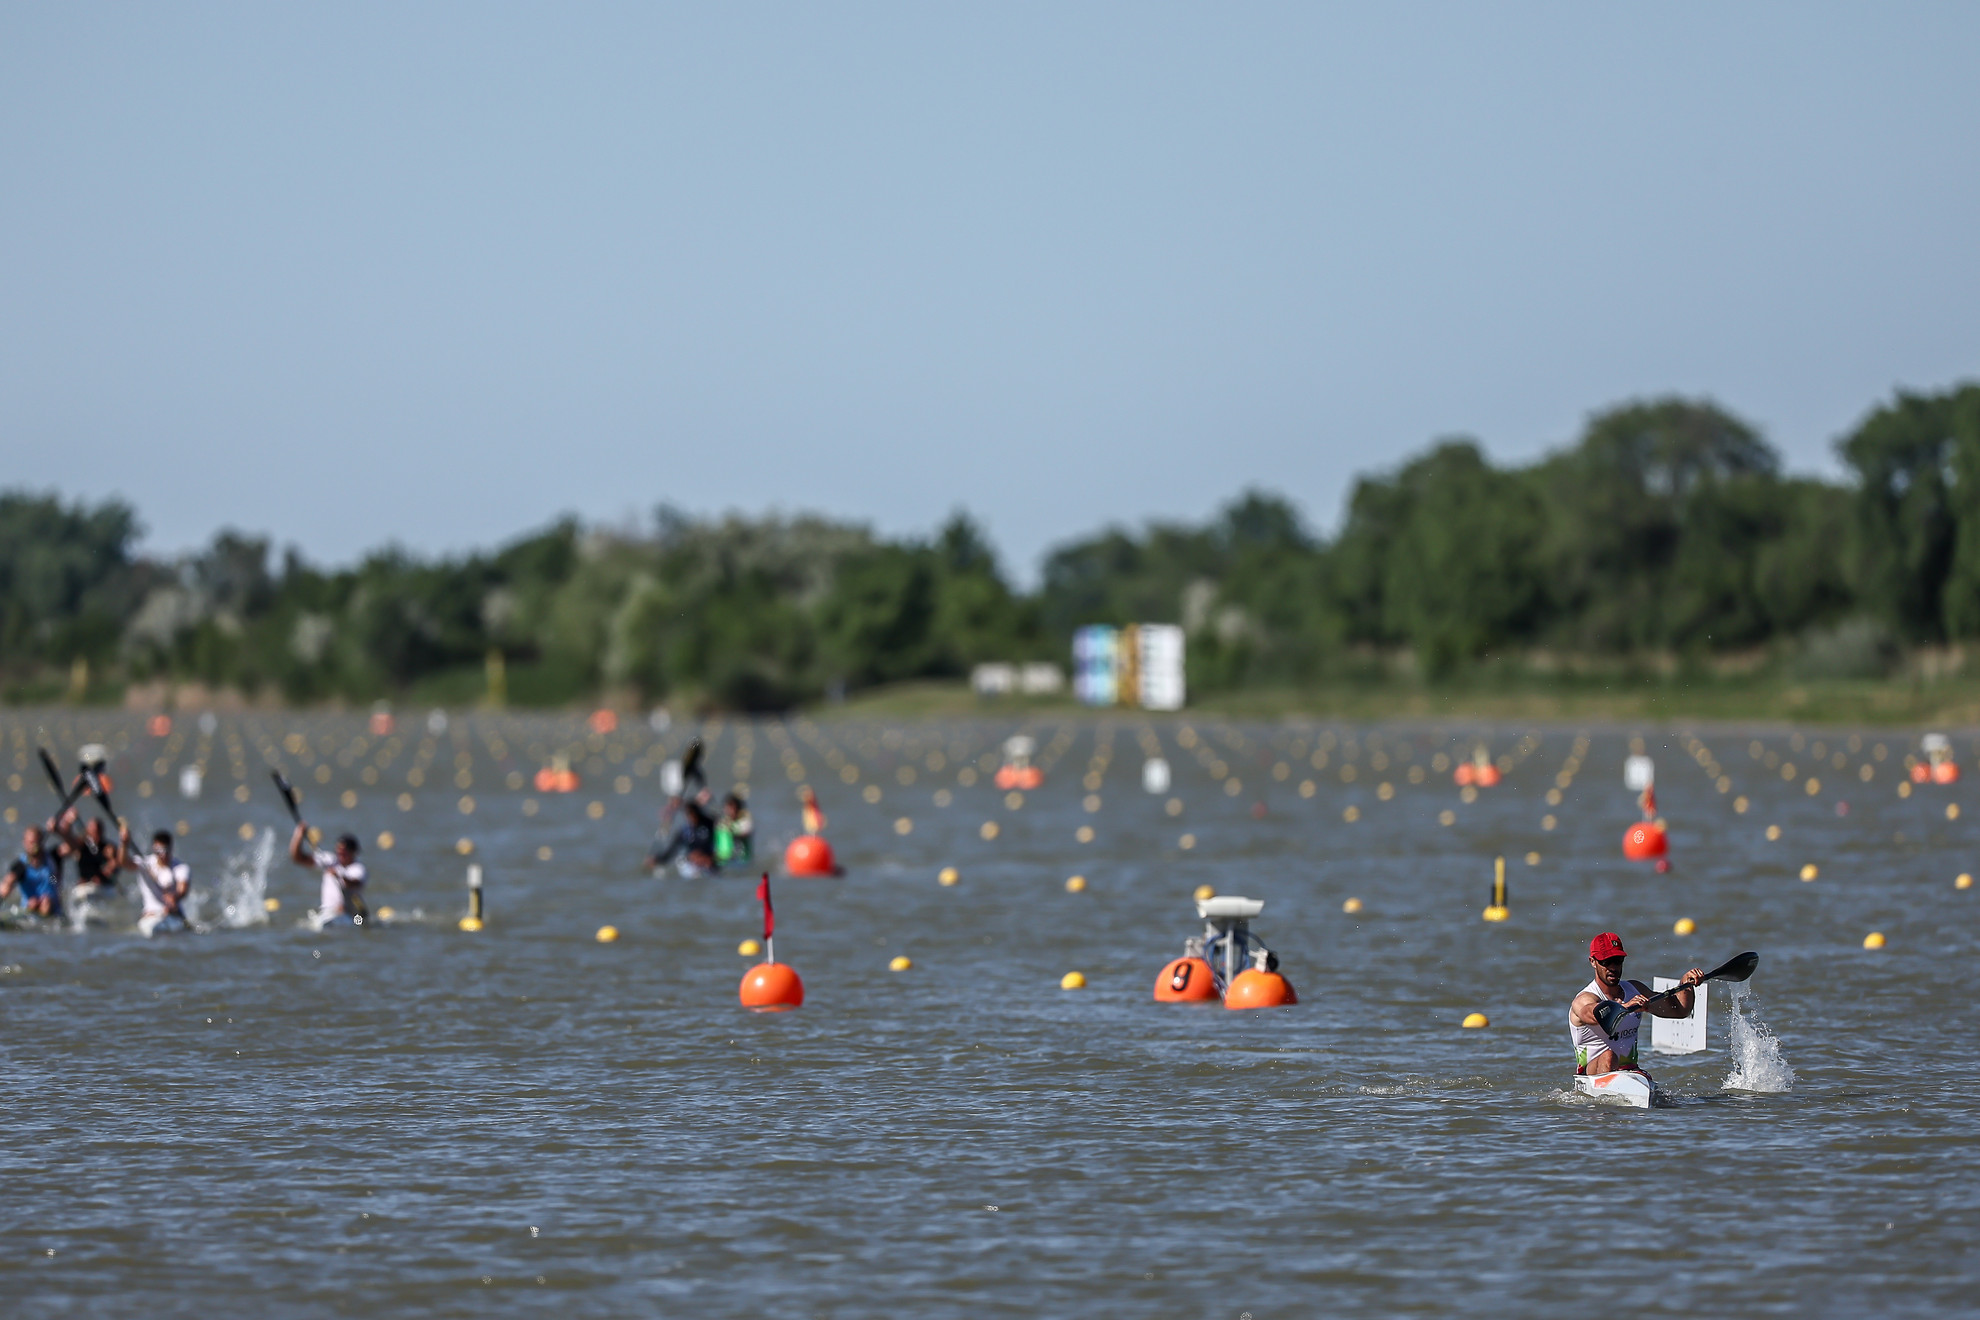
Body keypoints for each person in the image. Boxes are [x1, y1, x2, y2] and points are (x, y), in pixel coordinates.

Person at [1569, 932, 1703, 1076]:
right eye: (1606, 961)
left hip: (1630, 1072)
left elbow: (1680, 1011)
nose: (1613, 967)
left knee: (1647, 1080)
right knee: (1609, 1056)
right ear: (1593, 962)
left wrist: (1685, 985)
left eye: (1618, 960)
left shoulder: (1635, 990)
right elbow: (1593, 1014)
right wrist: (1625, 1008)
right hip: (1592, 1075)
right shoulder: (1584, 999)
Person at [119, 825, 190, 936]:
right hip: (150, 917)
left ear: (171, 848)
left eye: (165, 850)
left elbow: (183, 889)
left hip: (171, 916)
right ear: (153, 848)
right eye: (159, 851)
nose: (162, 854)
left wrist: (175, 896)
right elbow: (124, 863)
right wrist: (124, 844)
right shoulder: (145, 863)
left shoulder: (180, 868)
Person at [290, 824, 366, 928]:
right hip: (328, 914)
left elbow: (354, 884)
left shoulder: (358, 868)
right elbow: (298, 858)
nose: (340, 856)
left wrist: (338, 875)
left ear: (353, 852)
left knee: (356, 923)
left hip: (351, 916)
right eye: (339, 852)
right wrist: (298, 835)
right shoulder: (329, 859)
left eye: (344, 853)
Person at [3, 823, 69, 920]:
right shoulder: (21, 866)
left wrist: (59, 831)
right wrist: (7, 887)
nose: (33, 845)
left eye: (36, 842)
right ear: (24, 843)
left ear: (41, 842)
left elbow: (73, 846)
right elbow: (6, 883)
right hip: (30, 908)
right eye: (30, 842)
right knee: (33, 902)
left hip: (52, 907)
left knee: (46, 901)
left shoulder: (53, 858)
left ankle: (47, 921)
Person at [61, 811, 122, 899]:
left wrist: (105, 873)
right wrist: (69, 821)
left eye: (97, 831)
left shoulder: (108, 848)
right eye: (92, 831)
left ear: (101, 832)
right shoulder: (80, 845)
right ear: (87, 831)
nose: (94, 835)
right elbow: (67, 839)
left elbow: (116, 863)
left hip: (103, 886)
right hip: (85, 885)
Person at [651, 799, 717, 876]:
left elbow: (720, 845)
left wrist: (709, 857)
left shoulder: (710, 825)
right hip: (693, 863)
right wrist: (658, 860)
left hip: (709, 861)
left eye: (693, 813)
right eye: (689, 814)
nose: (691, 817)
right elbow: (672, 849)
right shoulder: (685, 832)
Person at [714, 791, 753, 865]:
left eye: (733, 807)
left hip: (741, 860)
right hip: (723, 860)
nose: (731, 810)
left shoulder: (744, 822)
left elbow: (745, 833)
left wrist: (732, 831)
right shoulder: (721, 822)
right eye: (728, 807)